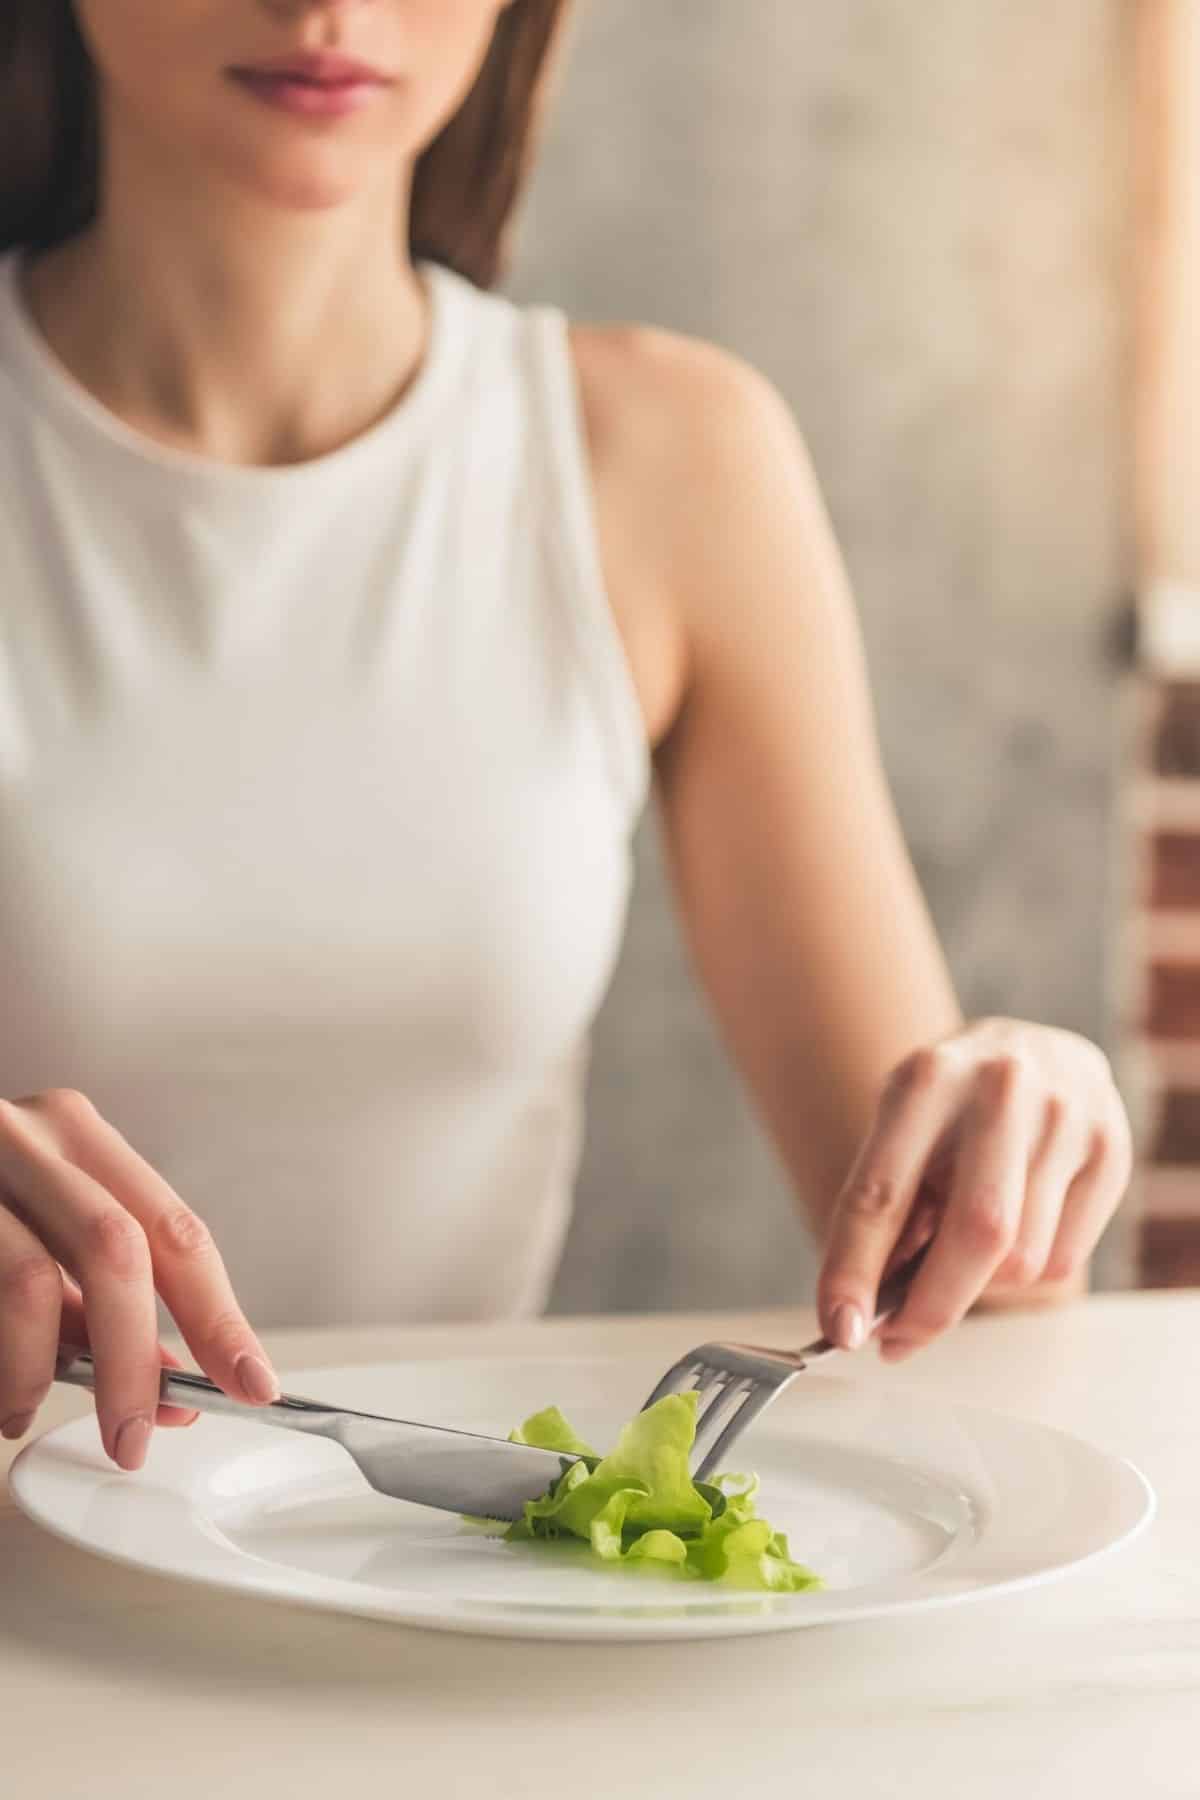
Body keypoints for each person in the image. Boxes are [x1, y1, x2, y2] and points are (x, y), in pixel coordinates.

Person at [0, 0, 1133, 1477]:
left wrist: (1024, 1117)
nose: (328, 5)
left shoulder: (672, 458)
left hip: (431, 1606)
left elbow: (947, 1287)